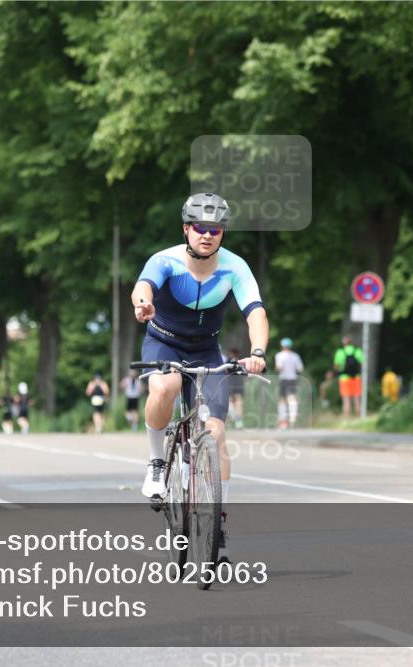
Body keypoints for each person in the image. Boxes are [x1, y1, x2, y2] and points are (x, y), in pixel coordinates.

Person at [132, 192, 268, 563]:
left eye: (216, 229)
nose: (208, 235)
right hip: (164, 345)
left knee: (218, 433)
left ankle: (217, 522)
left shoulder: (235, 267)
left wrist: (257, 353)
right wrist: (142, 304)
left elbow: (255, 312)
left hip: (207, 351)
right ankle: (158, 462)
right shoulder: (166, 260)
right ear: (186, 229)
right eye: (200, 228)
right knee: (166, 385)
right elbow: (144, 286)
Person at [275, 338, 304, 429]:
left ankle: (283, 421)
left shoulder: (279, 355)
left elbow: (279, 368)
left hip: (283, 378)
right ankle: (292, 418)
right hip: (292, 378)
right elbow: (300, 369)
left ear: (282, 346)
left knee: (282, 399)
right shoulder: (295, 356)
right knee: (292, 398)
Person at [333, 336, 364, 419]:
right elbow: (362, 363)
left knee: (346, 399)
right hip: (356, 378)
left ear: (343, 343)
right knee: (357, 399)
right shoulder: (358, 351)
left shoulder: (340, 352)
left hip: (344, 378)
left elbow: (336, 366)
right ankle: (359, 418)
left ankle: (346, 419)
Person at [225, 348, 245, 428]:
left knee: (231, 401)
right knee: (239, 402)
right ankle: (238, 420)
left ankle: (233, 417)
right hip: (239, 383)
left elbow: (225, 371)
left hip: (231, 383)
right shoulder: (241, 362)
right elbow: (244, 373)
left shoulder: (229, 361)